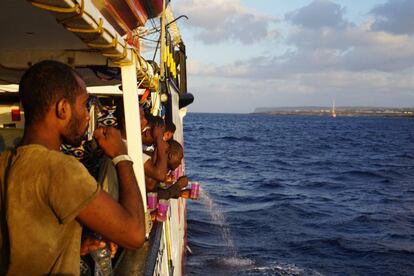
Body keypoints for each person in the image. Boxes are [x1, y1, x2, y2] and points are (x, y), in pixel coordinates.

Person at [0, 60, 145, 275]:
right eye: (84, 104)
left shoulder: (4, 161)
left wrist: (73, 246)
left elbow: (19, 246)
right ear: (63, 109)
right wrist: (120, 155)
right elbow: (134, 234)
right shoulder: (62, 169)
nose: (87, 115)